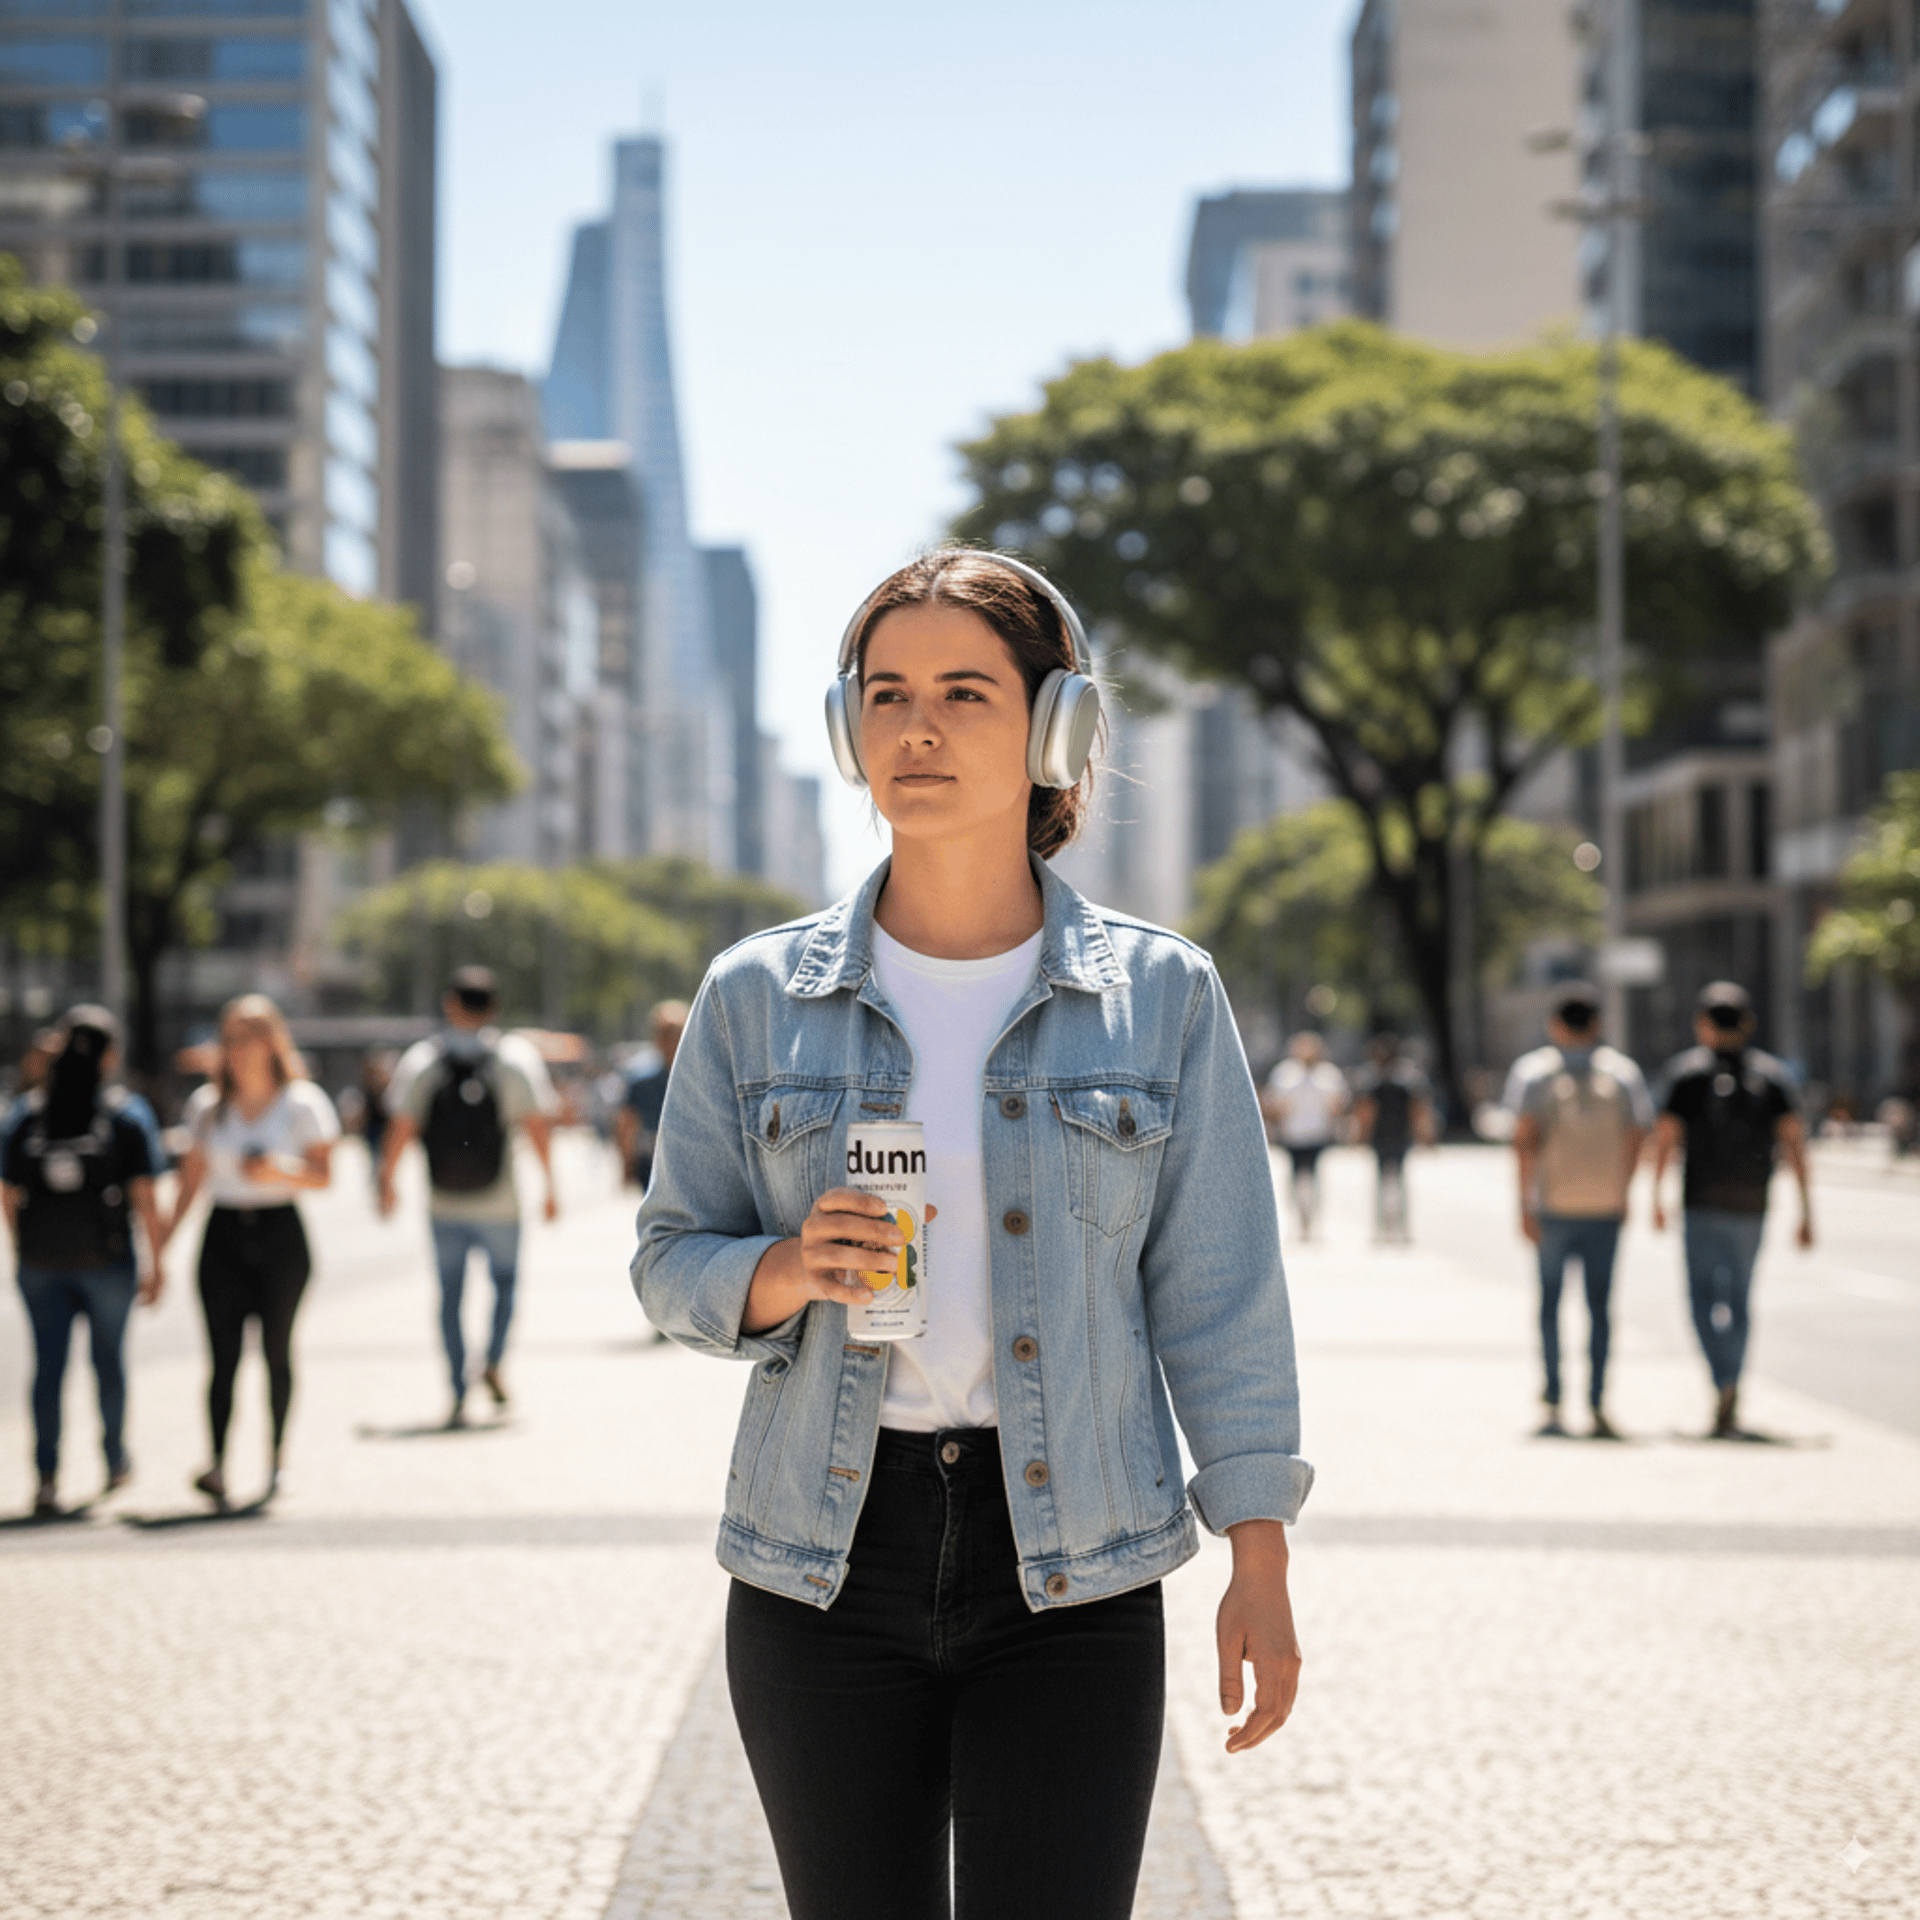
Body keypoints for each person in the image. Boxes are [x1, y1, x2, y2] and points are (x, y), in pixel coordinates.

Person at [633, 549, 1311, 1920]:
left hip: (1072, 1569)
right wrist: (778, 1270)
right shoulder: (755, 994)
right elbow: (668, 1260)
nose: (917, 730)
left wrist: (1259, 1551)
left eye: (963, 693)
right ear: (847, 728)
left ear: (1056, 730)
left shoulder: (1164, 996)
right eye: (885, 695)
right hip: (822, 1564)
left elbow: (1221, 1291)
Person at [166, 995, 338, 1506]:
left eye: (250, 1034)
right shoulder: (206, 1105)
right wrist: (159, 1250)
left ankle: (276, 1460)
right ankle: (218, 1463)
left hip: (280, 1232)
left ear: (273, 1041)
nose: (239, 1046)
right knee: (221, 1359)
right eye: (232, 1035)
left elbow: (325, 1176)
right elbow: (189, 1183)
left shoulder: (302, 1102)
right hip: (222, 1235)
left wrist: (278, 1170)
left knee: (276, 1352)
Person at [1, 1008, 167, 1517]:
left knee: (47, 1369)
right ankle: (114, 1460)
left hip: (40, 1263)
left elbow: (8, 1194)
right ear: (110, 1056)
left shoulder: (27, 1114)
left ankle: (46, 1477)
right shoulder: (125, 1115)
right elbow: (143, 1197)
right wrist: (157, 1260)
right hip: (108, 1259)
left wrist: (23, 1248)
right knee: (108, 1363)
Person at [379, 967, 558, 1425]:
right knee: (504, 1287)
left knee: (450, 1297)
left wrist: (387, 1181)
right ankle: (494, 1361)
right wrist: (551, 1185)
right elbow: (536, 1126)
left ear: (449, 1004)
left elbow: (401, 1126)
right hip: (501, 1201)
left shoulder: (423, 1060)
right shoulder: (515, 1058)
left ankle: (458, 1388)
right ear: (494, 1009)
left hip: (443, 1202)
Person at [1650, 981, 1812, 1439]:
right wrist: (1806, 1210)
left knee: (1701, 1299)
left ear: (1703, 1025)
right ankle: (1732, 1380)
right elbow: (1795, 1144)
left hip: (1700, 1201)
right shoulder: (1774, 1076)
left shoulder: (1685, 1075)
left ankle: (1719, 1377)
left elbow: (1665, 1139)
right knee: (1739, 1301)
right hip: (1751, 1205)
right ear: (1749, 1024)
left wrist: (1654, 1196)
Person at [1503, 982, 1653, 1439]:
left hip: (1553, 1206)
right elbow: (1636, 1137)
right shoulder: (1623, 1074)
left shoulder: (1534, 1073)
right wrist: (1625, 1192)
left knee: (1550, 1305)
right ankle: (1597, 1399)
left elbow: (1523, 1143)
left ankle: (1552, 1395)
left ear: (1554, 1025)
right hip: (1604, 1207)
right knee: (1600, 1307)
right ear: (1598, 1025)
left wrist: (1523, 1204)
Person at [1261, 1031, 1349, 1242]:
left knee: (1315, 1177)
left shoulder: (1328, 1074)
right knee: (1294, 1178)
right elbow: (1271, 1101)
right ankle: (1296, 1220)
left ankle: (1313, 1221)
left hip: (1318, 1133)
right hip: (1293, 1134)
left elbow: (1340, 1102)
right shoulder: (1284, 1073)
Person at [1352, 1032, 1435, 1242]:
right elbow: (1418, 1110)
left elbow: (1365, 1112)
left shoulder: (1375, 1079)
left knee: (1384, 1182)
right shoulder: (1406, 1078)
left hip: (1385, 1137)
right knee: (1398, 1181)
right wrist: (1424, 1134)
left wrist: (1360, 1136)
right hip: (1398, 1136)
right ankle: (1400, 1227)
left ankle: (1384, 1227)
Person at [615, 1000, 688, 1189]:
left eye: (677, 1033)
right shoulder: (639, 1080)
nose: (671, 1040)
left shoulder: (705, 1078)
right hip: (652, 1166)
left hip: (693, 1165)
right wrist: (627, 1164)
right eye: (665, 1033)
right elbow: (627, 1124)